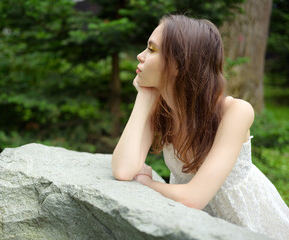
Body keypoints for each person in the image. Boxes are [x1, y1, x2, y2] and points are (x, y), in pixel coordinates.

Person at [111, 15, 289, 239]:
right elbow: (122, 170)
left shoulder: (236, 112)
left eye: (152, 50)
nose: (140, 56)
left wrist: (148, 183)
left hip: (248, 223)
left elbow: (193, 197)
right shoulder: (161, 109)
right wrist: (144, 97)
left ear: (177, 64)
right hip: (193, 227)